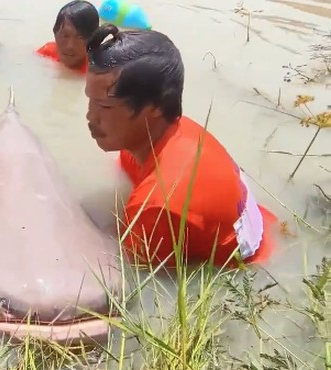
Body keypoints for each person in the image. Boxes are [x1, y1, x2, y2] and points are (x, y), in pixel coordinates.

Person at [83, 24, 278, 269]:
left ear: (155, 106)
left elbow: (131, 275)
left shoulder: (157, 207)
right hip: (267, 226)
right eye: (89, 100)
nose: (90, 116)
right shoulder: (170, 130)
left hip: (253, 271)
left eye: (105, 106)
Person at [36, 0, 99, 74]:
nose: (70, 46)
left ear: (93, 40)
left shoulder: (97, 71)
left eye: (80, 37)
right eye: (65, 36)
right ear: (55, 33)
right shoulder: (46, 52)